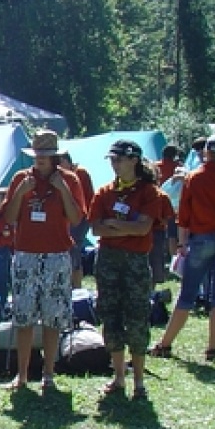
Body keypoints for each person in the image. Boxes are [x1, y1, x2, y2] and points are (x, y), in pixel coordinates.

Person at [149, 136, 215, 363]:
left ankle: (165, 344)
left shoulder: (193, 178)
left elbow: (184, 216)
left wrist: (182, 244)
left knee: (187, 295)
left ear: (205, 152)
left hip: (201, 239)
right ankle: (212, 348)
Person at [4, 129, 83, 391]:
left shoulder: (69, 179)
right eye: (37, 154)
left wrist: (62, 190)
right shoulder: (20, 178)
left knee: (53, 317)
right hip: (25, 254)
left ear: (55, 157)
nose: (40, 159)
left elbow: (76, 218)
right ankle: (23, 375)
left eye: (46, 155)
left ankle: (49, 373)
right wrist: (19, 193)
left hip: (57, 255)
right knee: (23, 317)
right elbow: (8, 218)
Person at [89, 141, 165, 401]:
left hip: (135, 260)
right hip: (108, 260)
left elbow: (143, 228)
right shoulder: (104, 193)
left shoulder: (149, 193)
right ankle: (119, 376)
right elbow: (96, 228)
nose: (115, 164)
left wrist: (114, 225)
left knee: (136, 316)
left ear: (134, 160)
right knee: (110, 315)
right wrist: (123, 226)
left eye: (119, 160)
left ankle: (139, 381)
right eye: (112, 160)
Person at [58, 151, 94, 287]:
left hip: (81, 217)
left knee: (74, 248)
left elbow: (88, 196)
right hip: (65, 218)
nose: (59, 165)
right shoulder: (58, 176)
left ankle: (77, 285)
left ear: (68, 161)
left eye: (61, 161)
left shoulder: (80, 173)